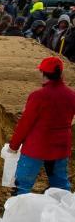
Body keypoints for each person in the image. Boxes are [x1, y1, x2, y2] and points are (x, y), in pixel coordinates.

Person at [8, 57, 75, 195]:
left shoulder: (38, 96)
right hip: (61, 146)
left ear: (43, 73)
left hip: (37, 146)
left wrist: (14, 146)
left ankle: (19, 212)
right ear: (61, 74)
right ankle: (65, 211)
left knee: (23, 184)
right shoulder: (71, 95)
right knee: (61, 185)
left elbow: (25, 124)